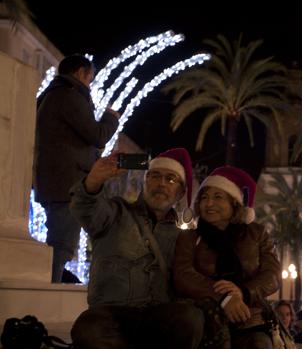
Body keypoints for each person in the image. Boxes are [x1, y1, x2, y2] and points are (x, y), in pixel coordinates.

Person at [69, 148, 203, 349]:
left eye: (171, 179)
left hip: (158, 318)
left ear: (181, 192)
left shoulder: (183, 237)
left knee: (189, 317)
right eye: (155, 176)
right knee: (88, 329)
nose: (161, 184)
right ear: (145, 181)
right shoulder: (116, 212)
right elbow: (86, 208)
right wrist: (93, 181)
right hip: (111, 315)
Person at [173, 165, 281, 349]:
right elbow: (183, 274)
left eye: (217, 197)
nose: (209, 204)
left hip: (250, 317)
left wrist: (243, 292)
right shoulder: (189, 237)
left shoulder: (257, 234)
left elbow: (272, 274)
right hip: (206, 318)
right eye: (204, 198)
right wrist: (224, 296)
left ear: (234, 203)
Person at [34, 54, 120, 283]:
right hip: (67, 185)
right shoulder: (69, 96)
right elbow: (97, 135)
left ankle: (51, 286)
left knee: (60, 242)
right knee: (61, 244)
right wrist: (111, 118)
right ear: (81, 72)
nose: (90, 84)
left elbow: (73, 140)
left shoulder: (51, 96)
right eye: (90, 78)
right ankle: (47, 293)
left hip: (54, 182)